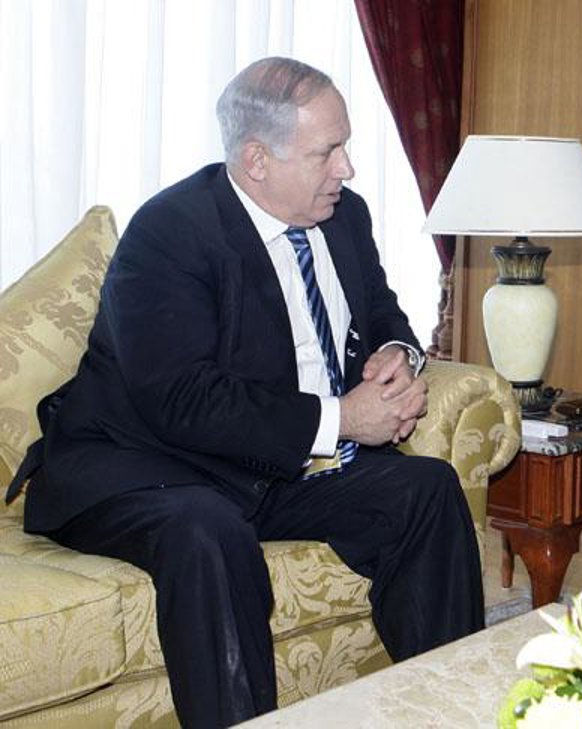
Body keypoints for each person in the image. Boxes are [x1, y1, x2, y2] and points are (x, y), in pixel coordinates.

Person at [4, 57, 483, 728]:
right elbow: (181, 398)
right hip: (143, 466)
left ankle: (453, 710)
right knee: (209, 532)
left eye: (345, 145)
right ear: (257, 159)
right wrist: (344, 419)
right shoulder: (171, 233)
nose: (347, 168)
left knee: (425, 490)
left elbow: (382, 312)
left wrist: (397, 356)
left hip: (264, 465)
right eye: (327, 152)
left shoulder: (343, 216)